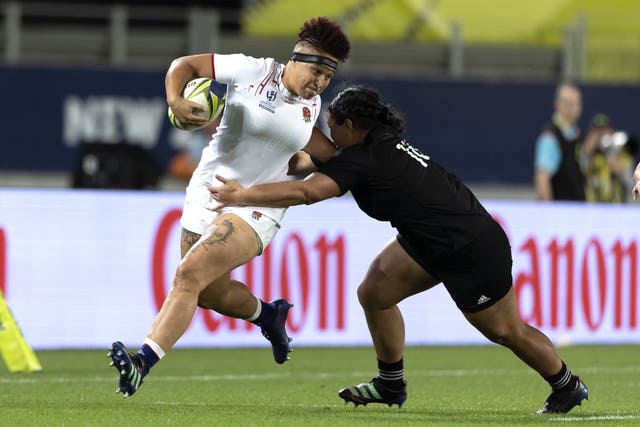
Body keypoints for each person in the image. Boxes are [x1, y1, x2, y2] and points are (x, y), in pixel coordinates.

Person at [209, 86, 589, 414]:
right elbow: (307, 159)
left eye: (333, 126)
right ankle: (391, 384)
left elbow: (307, 190)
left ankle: (566, 385)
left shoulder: (363, 159)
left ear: (351, 128)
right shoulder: (374, 143)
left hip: (468, 247)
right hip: (430, 239)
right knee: (374, 293)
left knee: (507, 331)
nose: (329, 133)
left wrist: (242, 195)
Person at [108, 16, 350, 397]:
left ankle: (142, 362)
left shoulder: (311, 107)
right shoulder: (251, 70)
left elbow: (322, 156)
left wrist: (304, 166)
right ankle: (268, 315)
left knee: (188, 275)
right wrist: (175, 99)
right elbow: (183, 67)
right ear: (296, 59)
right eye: (316, 71)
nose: (320, 82)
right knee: (206, 292)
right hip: (208, 190)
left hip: (256, 209)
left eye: (328, 76)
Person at [534, 82, 586, 201]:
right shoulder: (550, 137)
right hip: (559, 213)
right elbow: (542, 178)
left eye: (576, 104)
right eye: (568, 104)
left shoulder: (576, 136)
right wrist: (549, 213)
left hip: (577, 210)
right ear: (557, 105)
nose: (572, 109)